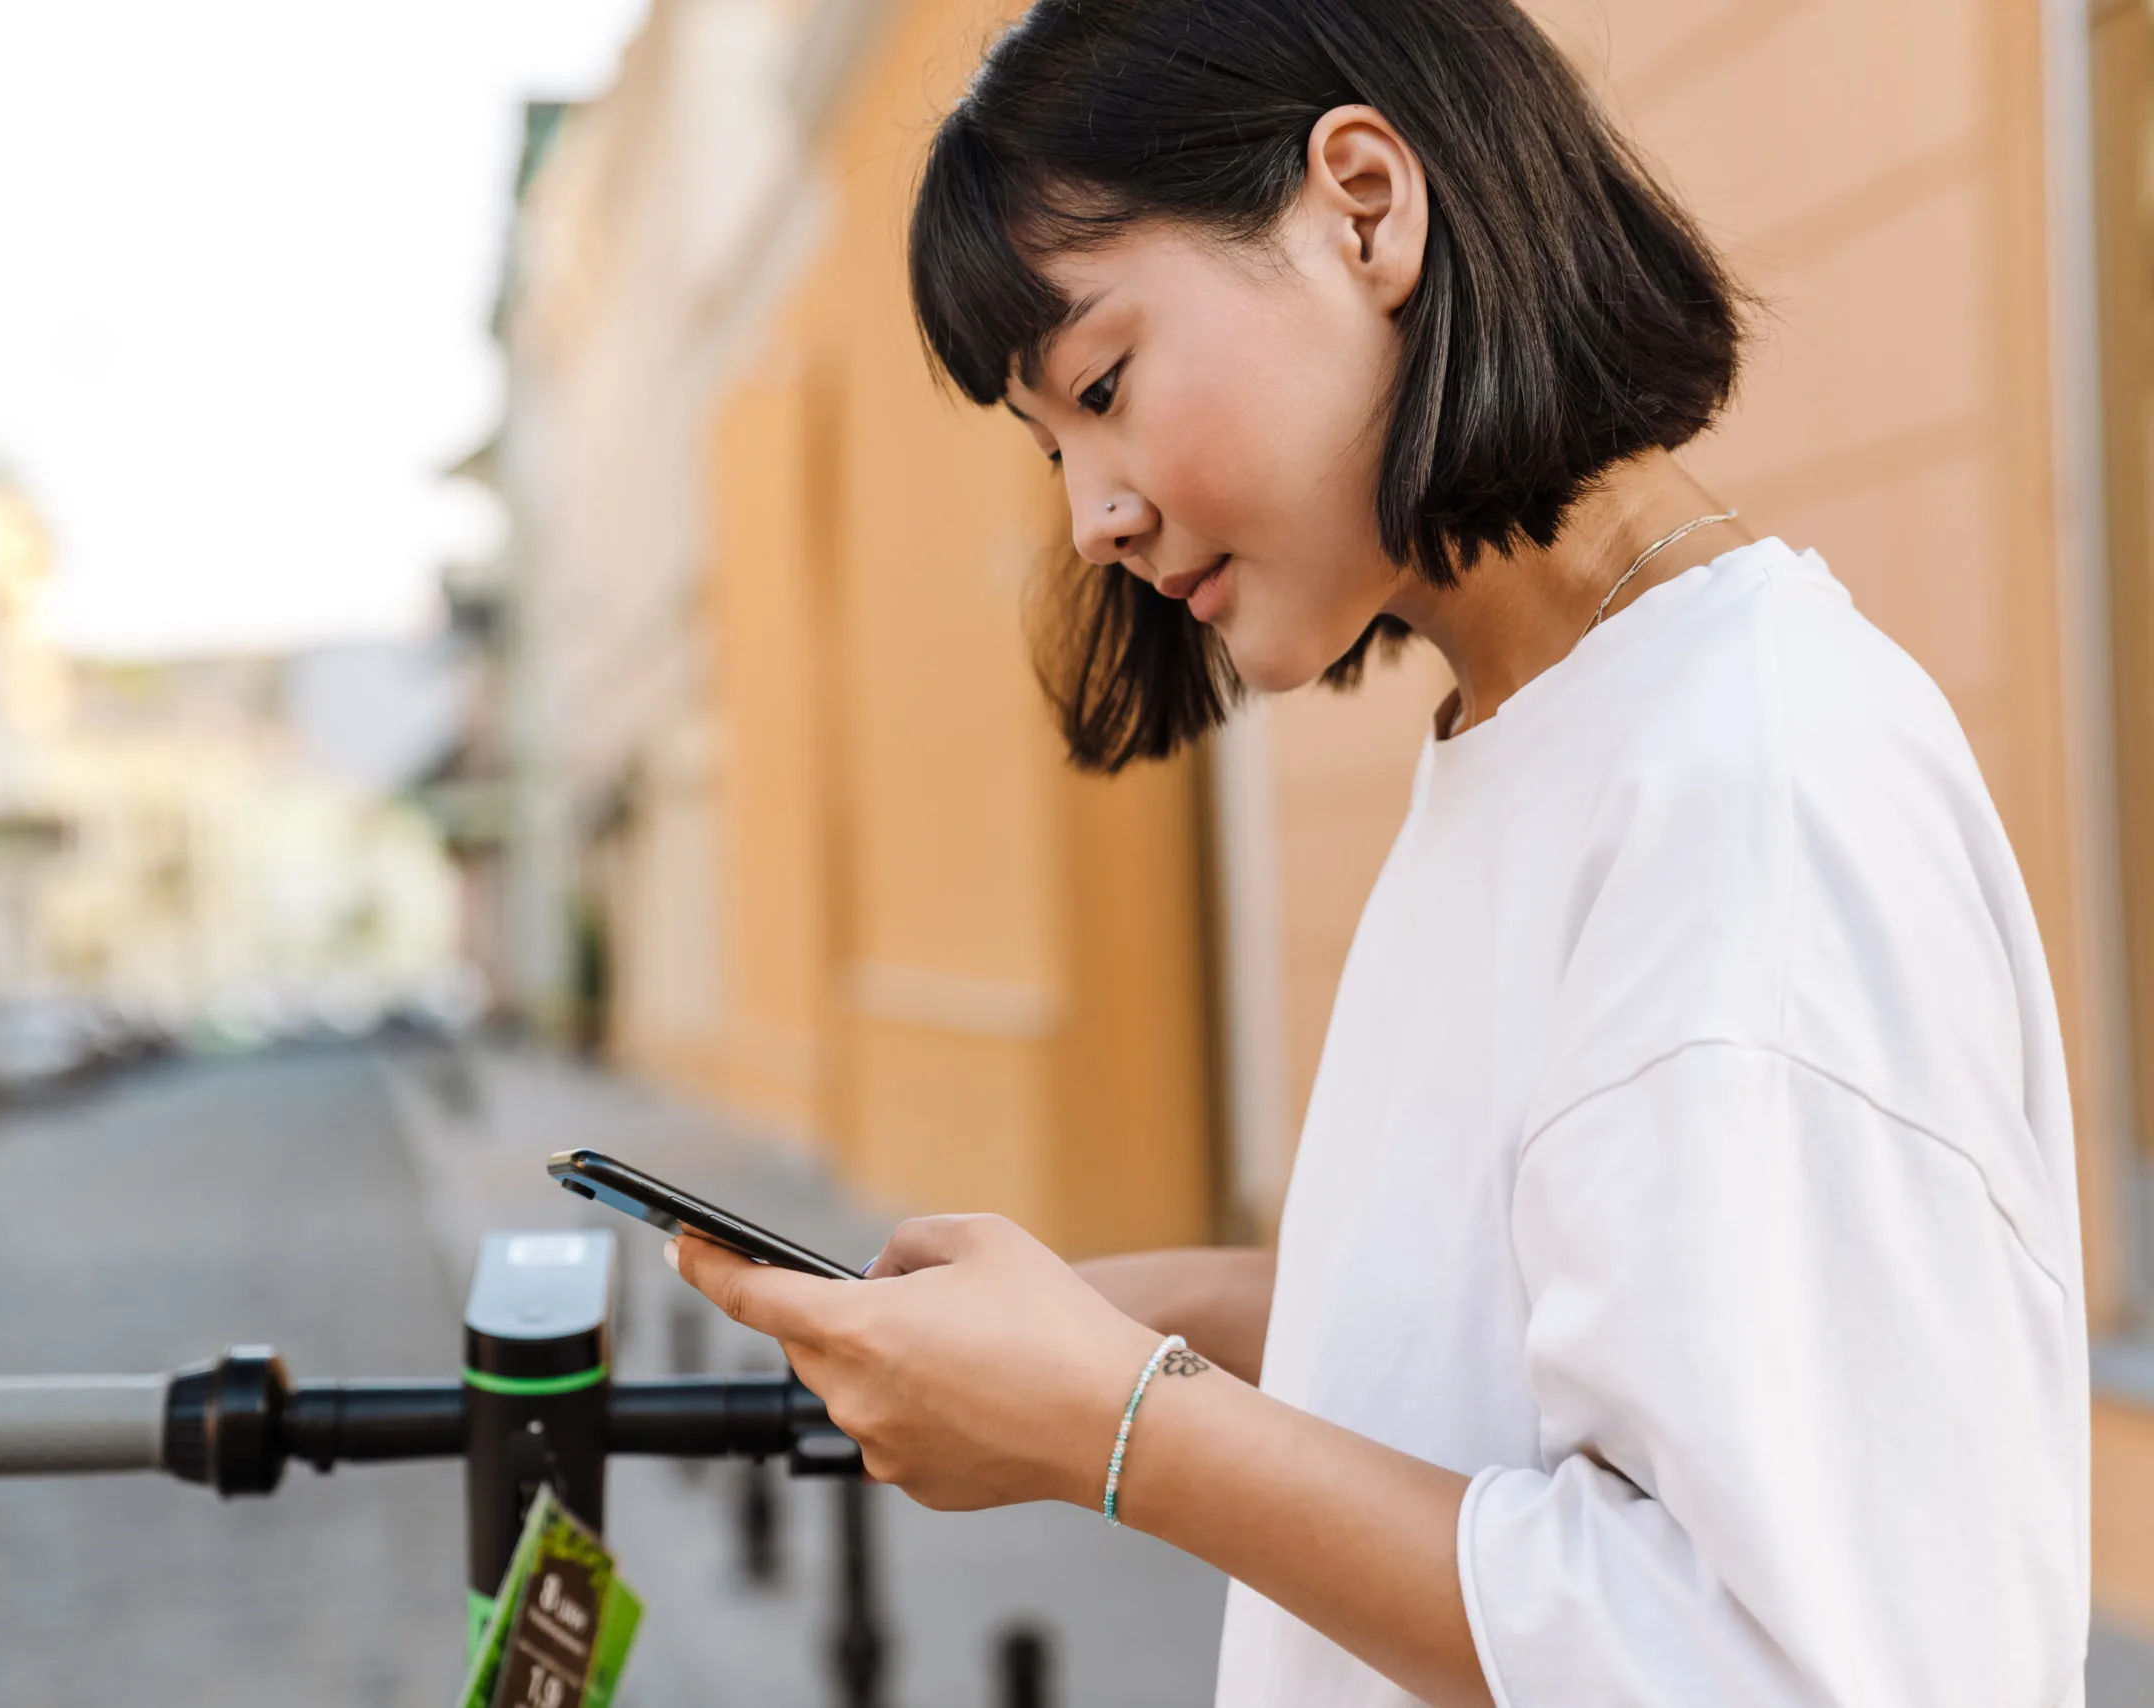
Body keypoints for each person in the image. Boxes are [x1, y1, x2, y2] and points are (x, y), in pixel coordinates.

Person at [665, 0, 2092, 1701]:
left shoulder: (1746, 782)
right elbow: (1564, 1337)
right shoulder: (1539, 732)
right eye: (1054, 445)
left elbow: (1762, 1658)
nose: (1091, 516)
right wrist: (1162, 1317)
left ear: (1362, 205)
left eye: (1106, 386)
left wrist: (1117, 1428)